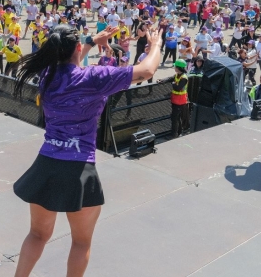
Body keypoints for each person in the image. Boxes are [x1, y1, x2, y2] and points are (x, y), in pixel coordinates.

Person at [11, 24, 161, 277]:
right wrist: (155, 44)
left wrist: (90, 41)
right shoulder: (94, 78)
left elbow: (69, 63)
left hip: (46, 164)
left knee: (37, 234)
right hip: (80, 169)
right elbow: (146, 71)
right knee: (81, 242)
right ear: (77, 48)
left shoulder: (48, 75)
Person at [169, 59, 189, 138]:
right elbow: (170, 78)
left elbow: (178, 88)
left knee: (175, 118)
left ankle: (174, 134)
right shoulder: (177, 75)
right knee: (176, 117)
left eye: (175, 66)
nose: (174, 68)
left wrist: (173, 84)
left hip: (180, 101)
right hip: (176, 100)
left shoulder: (184, 78)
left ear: (178, 68)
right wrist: (162, 80)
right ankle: (179, 132)